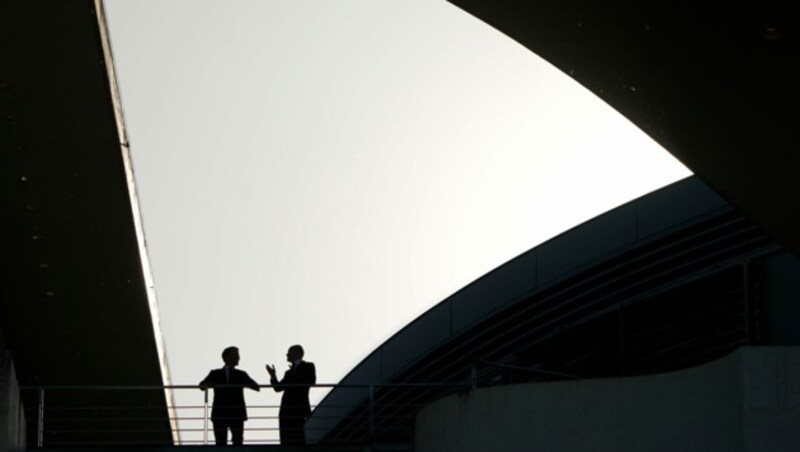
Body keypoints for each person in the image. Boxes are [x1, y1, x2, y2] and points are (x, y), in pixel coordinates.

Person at [200, 346, 260, 446]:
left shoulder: (241, 374)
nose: (238, 357)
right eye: (235, 355)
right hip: (220, 412)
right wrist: (208, 384)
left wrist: (245, 383)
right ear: (226, 357)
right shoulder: (215, 373)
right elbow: (201, 385)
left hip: (236, 412)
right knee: (220, 442)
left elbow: (256, 387)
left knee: (237, 442)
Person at [266, 344, 316, 445]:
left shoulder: (308, 366)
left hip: (299, 409)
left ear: (296, 353)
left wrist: (295, 373)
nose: (287, 354)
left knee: (300, 440)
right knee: (286, 441)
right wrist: (273, 376)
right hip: (286, 411)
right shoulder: (288, 373)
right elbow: (278, 388)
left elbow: (311, 381)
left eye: (289, 352)